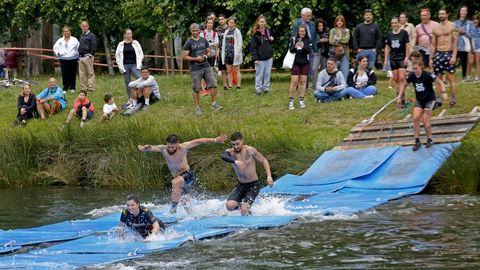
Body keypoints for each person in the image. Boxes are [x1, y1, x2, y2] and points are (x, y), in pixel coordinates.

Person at [138, 134, 228, 214]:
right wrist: (144, 148)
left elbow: (199, 141)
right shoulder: (163, 149)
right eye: (168, 146)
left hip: (187, 174)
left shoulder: (183, 147)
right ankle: (193, 215)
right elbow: (151, 148)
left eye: (172, 147)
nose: (170, 149)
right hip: (178, 177)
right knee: (185, 202)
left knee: (175, 182)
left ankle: (173, 209)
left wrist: (215, 140)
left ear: (177, 144)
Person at [221, 132, 273, 216]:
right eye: (233, 144)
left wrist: (269, 176)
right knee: (229, 206)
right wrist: (235, 161)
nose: (236, 147)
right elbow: (223, 157)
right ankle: (244, 207)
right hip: (240, 185)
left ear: (242, 141)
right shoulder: (230, 152)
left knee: (244, 210)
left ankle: (246, 211)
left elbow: (263, 160)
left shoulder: (250, 150)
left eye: (237, 144)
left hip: (253, 185)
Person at [182, 23, 223, 116]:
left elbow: (209, 52)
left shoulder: (204, 40)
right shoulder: (189, 42)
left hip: (206, 66)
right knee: (196, 88)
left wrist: (206, 55)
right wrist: (195, 59)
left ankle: (214, 104)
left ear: (199, 30)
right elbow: (184, 56)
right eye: (193, 31)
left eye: (197, 30)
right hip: (195, 68)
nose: (195, 32)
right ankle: (197, 108)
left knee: (213, 84)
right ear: (191, 31)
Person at [405, 61, 441, 151]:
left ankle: (429, 139)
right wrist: (400, 96)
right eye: (413, 69)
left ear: (421, 68)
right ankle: (417, 140)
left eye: (416, 69)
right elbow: (404, 85)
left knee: (425, 120)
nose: (415, 71)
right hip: (420, 100)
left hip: (430, 100)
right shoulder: (411, 76)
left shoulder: (428, 75)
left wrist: (441, 94)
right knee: (416, 118)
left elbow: (439, 82)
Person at [430, 9, 458, 108]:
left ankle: (453, 99)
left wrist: (454, 55)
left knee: (451, 77)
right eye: (439, 14)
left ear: (447, 14)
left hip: (449, 52)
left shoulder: (452, 26)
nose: (441, 15)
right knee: (438, 78)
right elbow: (433, 44)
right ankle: (438, 100)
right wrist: (431, 57)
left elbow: (455, 42)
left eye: (443, 13)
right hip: (438, 53)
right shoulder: (435, 28)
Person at [384, 16, 410, 107]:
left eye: (396, 22)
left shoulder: (404, 33)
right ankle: (398, 95)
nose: (394, 24)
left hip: (402, 57)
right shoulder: (389, 35)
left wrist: (407, 57)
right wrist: (385, 60)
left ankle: (402, 98)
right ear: (391, 25)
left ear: (399, 23)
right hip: (393, 58)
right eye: (392, 23)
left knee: (402, 78)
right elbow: (387, 47)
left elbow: (407, 45)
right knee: (396, 79)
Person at [115, 29, 144, 109]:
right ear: (124, 35)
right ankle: (130, 99)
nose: (129, 35)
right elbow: (117, 56)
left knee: (140, 78)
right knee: (127, 82)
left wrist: (140, 62)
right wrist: (120, 66)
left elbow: (141, 53)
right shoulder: (121, 44)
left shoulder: (135, 43)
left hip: (135, 64)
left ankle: (142, 96)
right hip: (125, 65)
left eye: (130, 33)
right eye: (128, 34)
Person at [291, 7, 317, 89]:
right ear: (303, 15)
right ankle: (297, 85)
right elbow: (293, 36)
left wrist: (315, 49)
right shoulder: (297, 23)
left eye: (310, 16)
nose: (310, 17)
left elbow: (314, 38)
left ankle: (305, 86)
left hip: (310, 48)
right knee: (298, 67)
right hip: (299, 48)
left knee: (309, 68)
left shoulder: (312, 24)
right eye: (308, 16)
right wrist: (295, 46)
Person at [288, 25, 311, 110]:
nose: (301, 33)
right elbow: (291, 50)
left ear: (305, 32)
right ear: (298, 32)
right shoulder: (293, 39)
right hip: (295, 63)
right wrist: (295, 46)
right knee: (294, 82)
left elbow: (309, 51)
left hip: (305, 63)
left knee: (303, 82)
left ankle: (301, 99)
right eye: (300, 31)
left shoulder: (308, 40)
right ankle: (291, 101)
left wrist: (303, 46)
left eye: (303, 31)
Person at [250, 15, 274, 96]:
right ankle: (258, 90)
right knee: (259, 75)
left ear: (265, 22)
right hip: (259, 58)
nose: (262, 23)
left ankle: (266, 89)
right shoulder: (255, 33)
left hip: (269, 57)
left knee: (267, 74)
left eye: (263, 22)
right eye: (261, 22)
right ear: (258, 22)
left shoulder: (268, 31)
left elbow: (269, 42)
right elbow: (253, 47)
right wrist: (255, 58)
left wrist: (271, 39)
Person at [53, 26, 79, 93]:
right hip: (63, 59)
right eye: (64, 31)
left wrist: (77, 55)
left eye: (67, 31)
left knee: (72, 73)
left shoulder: (74, 39)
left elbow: (78, 48)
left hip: (73, 59)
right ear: (63, 32)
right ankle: (65, 88)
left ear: (70, 32)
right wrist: (58, 53)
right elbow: (55, 48)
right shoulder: (60, 40)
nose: (66, 32)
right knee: (64, 74)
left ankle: (72, 88)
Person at [221, 17, 243, 90]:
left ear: (235, 24)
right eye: (229, 23)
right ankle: (230, 85)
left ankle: (238, 86)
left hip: (235, 54)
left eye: (232, 23)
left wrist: (238, 53)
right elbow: (224, 43)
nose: (230, 24)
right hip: (227, 54)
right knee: (229, 71)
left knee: (237, 70)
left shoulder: (237, 31)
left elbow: (240, 44)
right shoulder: (226, 31)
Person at [454, 6, 475, 82]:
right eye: (462, 11)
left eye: (465, 11)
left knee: (464, 62)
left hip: (465, 46)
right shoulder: (455, 23)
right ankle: (451, 76)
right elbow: (452, 34)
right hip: (456, 45)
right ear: (459, 12)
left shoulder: (470, 23)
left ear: (466, 13)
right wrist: (456, 31)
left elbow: (472, 35)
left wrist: (464, 32)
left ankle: (463, 78)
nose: (463, 12)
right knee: (453, 61)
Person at [200, 17, 219, 96]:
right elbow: (203, 44)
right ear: (206, 24)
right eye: (209, 23)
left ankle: (209, 88)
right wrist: (211, 44)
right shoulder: (202, 34)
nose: (210, 24)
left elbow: (217, 44)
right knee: (204, 72)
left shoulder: (215, 33)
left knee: (210, 72)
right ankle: (203, 89)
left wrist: (209, 44)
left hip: (212, 54)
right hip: (204, 55)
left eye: (211, 23)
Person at [329, 15, 350, 79]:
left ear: (343, 22)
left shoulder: (346, 30)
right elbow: (331, 41)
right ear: (336, 22)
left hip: (344, 53)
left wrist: (336, 40)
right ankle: (333, 85)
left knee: (345, 70)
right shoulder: (332, 30)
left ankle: (345, 86)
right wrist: (340, 42)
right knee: (333, 70)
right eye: (338, 21)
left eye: (341, 21)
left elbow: (346, 40)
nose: (339, 22)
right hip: (334, 53)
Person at [78, 21, 97, 92]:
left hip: (88, 56)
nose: (84, 27)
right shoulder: (81, 36)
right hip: (81, 57)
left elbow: (94, 46)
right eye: (83, 26)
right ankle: (84, 88)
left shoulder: (91, 35)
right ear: (81, 27)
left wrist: (90, 55)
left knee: (90, 73)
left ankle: (91, 87)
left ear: (88, 26)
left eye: (85, 26)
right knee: (82, 74)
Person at [312, 18, 329, 84]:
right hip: (316, 51)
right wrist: (320, 41)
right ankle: (315, 84)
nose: (320, 27)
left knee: (324, 68)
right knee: (314, 68)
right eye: (319, 26)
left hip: (324, 52)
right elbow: (312, 43)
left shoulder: (326, 33)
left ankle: (323, 83)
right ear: (316, 26)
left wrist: (327, 41)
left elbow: (330, 42)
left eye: (322, 25)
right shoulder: (314, 34)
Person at [216, 14, 230, 90]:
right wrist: (217, 50)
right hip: (220, 51)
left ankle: (230, 84)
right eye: (219, 19)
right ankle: (225, 85)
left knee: (229, 69)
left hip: (229, 51)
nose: (221, 21)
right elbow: (216, 42)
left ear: (225, 19)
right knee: (223, 69)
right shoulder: (217, 29)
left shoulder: (230, 28)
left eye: (222, 19)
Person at [472, 14, 480, 82]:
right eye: (474, 19)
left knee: (477, 61)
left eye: (476, 19)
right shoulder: (471, 28)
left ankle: (477, 76)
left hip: (478, 47)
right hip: (471, 47)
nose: (475, 20)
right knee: (472, 61)